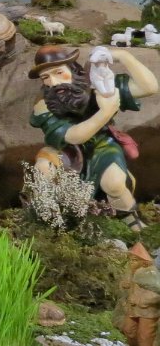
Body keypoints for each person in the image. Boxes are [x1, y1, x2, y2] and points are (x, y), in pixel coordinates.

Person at [29, 44, 158, 231]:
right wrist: (107, 111)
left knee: (114, 183)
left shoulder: (98, 83)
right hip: (64, 149)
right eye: (46, 77)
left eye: (59, 73)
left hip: (102, 145)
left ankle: (128, 215)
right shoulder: (43, 105)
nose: (54, 82)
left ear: (73, 69)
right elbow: (73, 137)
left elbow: (149, 87)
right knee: (44, 169)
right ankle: (54, 219)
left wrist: (123, 55)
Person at [114, 243, 160, 346]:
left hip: (147, 310)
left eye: (134, 260)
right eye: (130, 260)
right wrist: (125, 286)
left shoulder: (152, 274)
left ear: (143, 262)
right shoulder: (132, 273)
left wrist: (143, 301)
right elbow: (125, 288)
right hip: (133, 308)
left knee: (145, 334)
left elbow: (157, 293)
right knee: (128, 329)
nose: (131, 263)